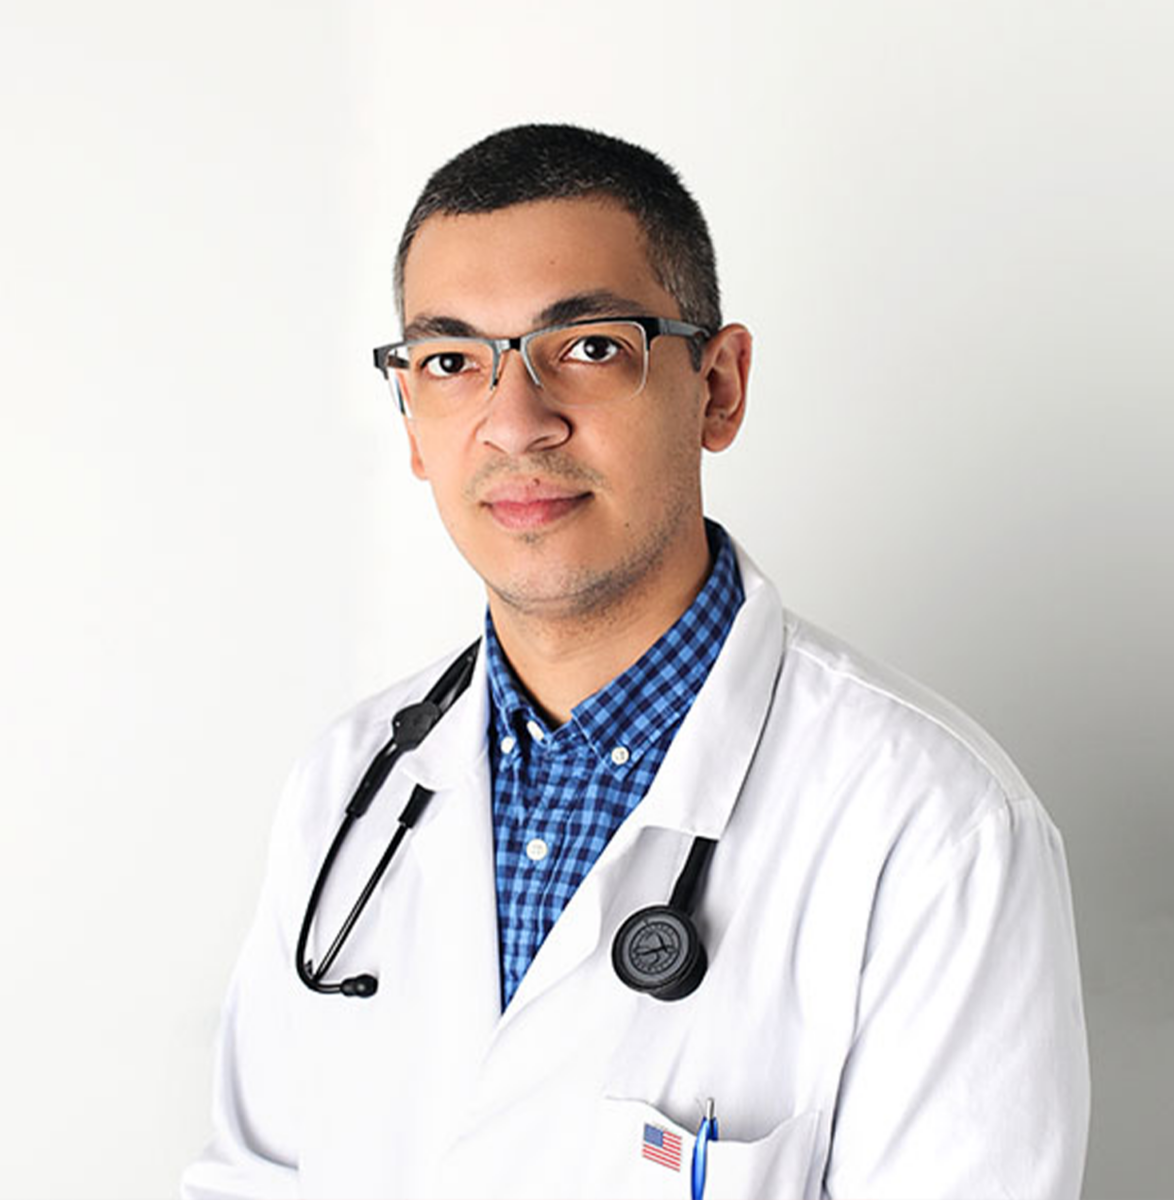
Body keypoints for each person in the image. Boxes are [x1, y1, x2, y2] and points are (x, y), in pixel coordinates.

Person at [182, 124, 1089, 1200]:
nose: (515, 424)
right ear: (413, 422)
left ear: (719, 386)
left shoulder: (935, 828)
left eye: (589, 347)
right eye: (452, 362)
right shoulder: (348, 786)